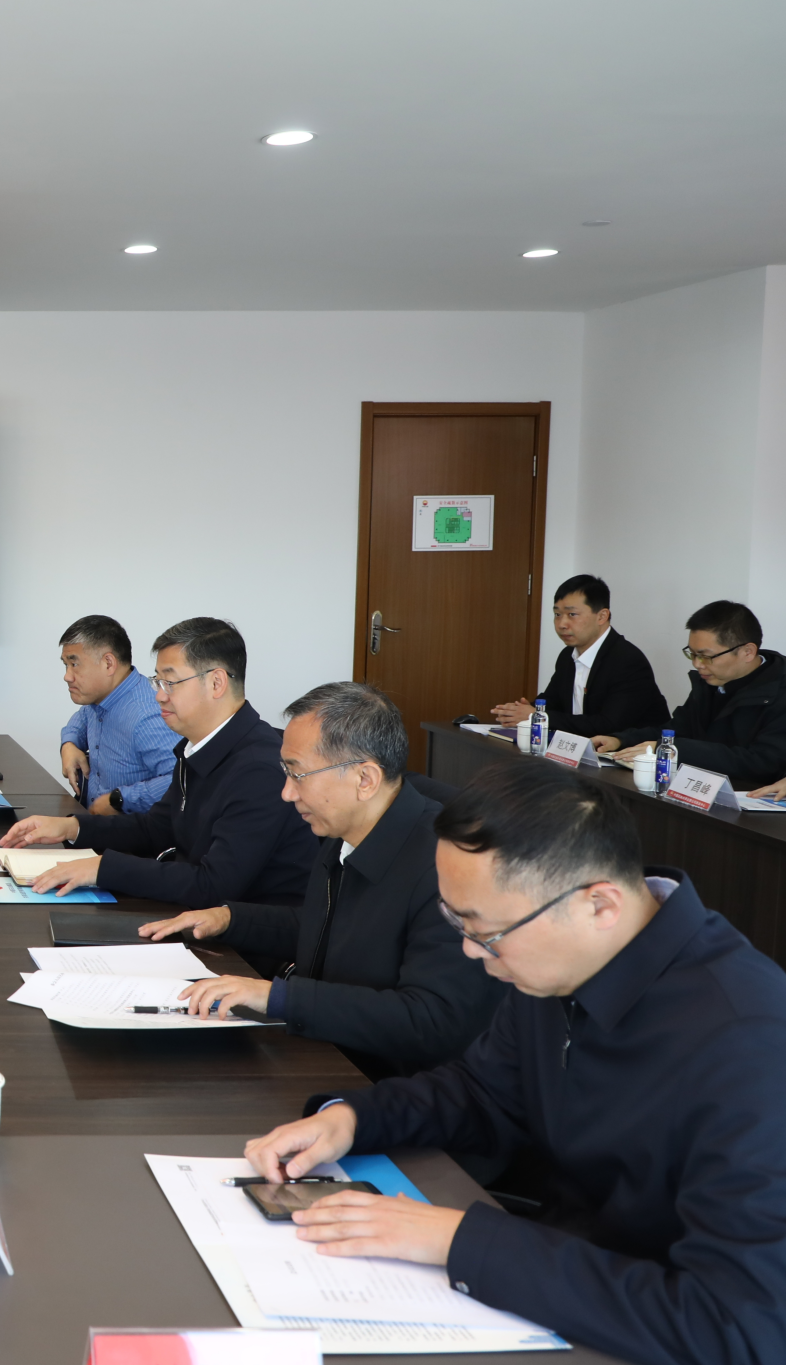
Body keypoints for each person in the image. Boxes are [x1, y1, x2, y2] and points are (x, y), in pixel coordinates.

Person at [237, 760, 786, 1365]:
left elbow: (737, 1326)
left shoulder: (749, 1044)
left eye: (485, 931)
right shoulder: (561, 962)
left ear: (599, 905)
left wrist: (459, 1241)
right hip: (554, 1278)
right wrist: (353, 1119)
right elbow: (482, 1092)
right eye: (456, 921)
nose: (470, 951)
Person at [137, 682, 505, 1079]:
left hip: (388, 1086)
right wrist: (228, 918)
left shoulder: (446, 869)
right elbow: (326, 926)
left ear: (365, 779)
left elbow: (430, 1019)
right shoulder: (344, 831)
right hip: (328, 1052)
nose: (286, 793)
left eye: (298, 774)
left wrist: (279, 997)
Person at [0, 617, 316, 907]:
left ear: (216, 683)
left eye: (170, 682)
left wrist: (102, 868)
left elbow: (213, 886)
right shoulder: (197, 746)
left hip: (240, 939)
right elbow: (156, 828)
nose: (159, 696)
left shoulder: (260, 770)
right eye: (158, 681)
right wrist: (72, 827)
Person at [596, 599, 786, 789]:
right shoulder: (710, 682)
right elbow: (676, 730)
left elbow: (763, 763)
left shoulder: (779, 691)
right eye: (692, 654)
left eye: (705, 656)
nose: (697, 664)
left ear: (747, 652)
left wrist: (673, 750)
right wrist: (621, 740)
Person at [489, 574, 667, 738]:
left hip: (633, 755)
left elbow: (609, 725)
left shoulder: (627, 660)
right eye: (557, 614)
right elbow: (552, 702)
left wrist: (537, 716)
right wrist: (520, 712)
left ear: (602, 616)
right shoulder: (568, 655)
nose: (562, 624)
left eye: (572, 614)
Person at [54, 614, 177, 816]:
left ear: (108, 663)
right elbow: (81, 719)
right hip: (93, 823)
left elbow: (178, 781)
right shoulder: (99, 699)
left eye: (74, 664)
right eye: (65, 665)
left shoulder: (147, 715)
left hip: (130, 832)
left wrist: (119, 799)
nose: (67, 676)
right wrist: (69, 744)